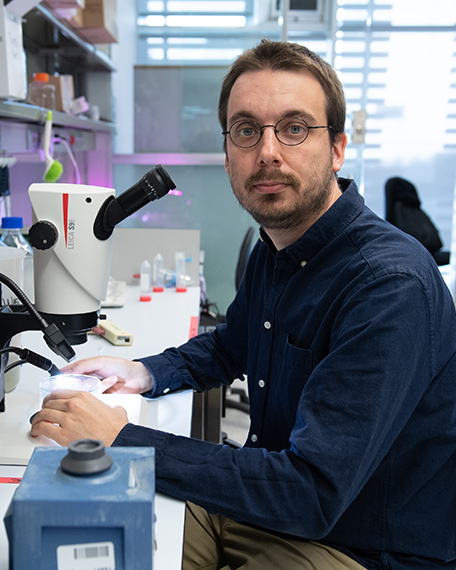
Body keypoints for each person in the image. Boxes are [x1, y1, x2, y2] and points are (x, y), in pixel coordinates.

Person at [31, 39, 456, 570]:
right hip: (280, 503)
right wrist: (142, 371)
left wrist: (121, 437)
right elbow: (233, 344)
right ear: (228, 149)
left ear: (339, 148)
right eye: (247, 130)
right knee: (98, 534)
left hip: (357, 544)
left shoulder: (388, 287)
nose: (269, 152)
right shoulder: (277, 247)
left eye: (295, 128)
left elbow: (311, 493)